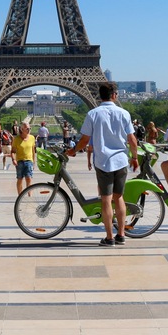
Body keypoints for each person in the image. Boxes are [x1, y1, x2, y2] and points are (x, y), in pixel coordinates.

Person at [67, 82, 138, 246]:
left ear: (100, 95)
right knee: (119, 198)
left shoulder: (93, 114)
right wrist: (134, 157)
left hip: (104, 161)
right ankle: (121, 235)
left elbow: (84, 140)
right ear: (114, 95)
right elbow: (132, 140)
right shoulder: (124, 113)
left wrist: (73, 151)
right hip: (121, 160)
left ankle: (109, 237)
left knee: (106, 200)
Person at [12, 121, 36, 195]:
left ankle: (29, 194)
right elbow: (13, 151)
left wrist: (34, 162)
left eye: (29, 128)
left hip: (29, 161)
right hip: (19, 161)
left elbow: (33, 151)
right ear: (22, 129)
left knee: (28, 178)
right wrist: (13, 159)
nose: (28, 130)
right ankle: (20, 195)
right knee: (20, 179)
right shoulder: (16, 139)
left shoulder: (32, 138)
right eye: (27, 128)